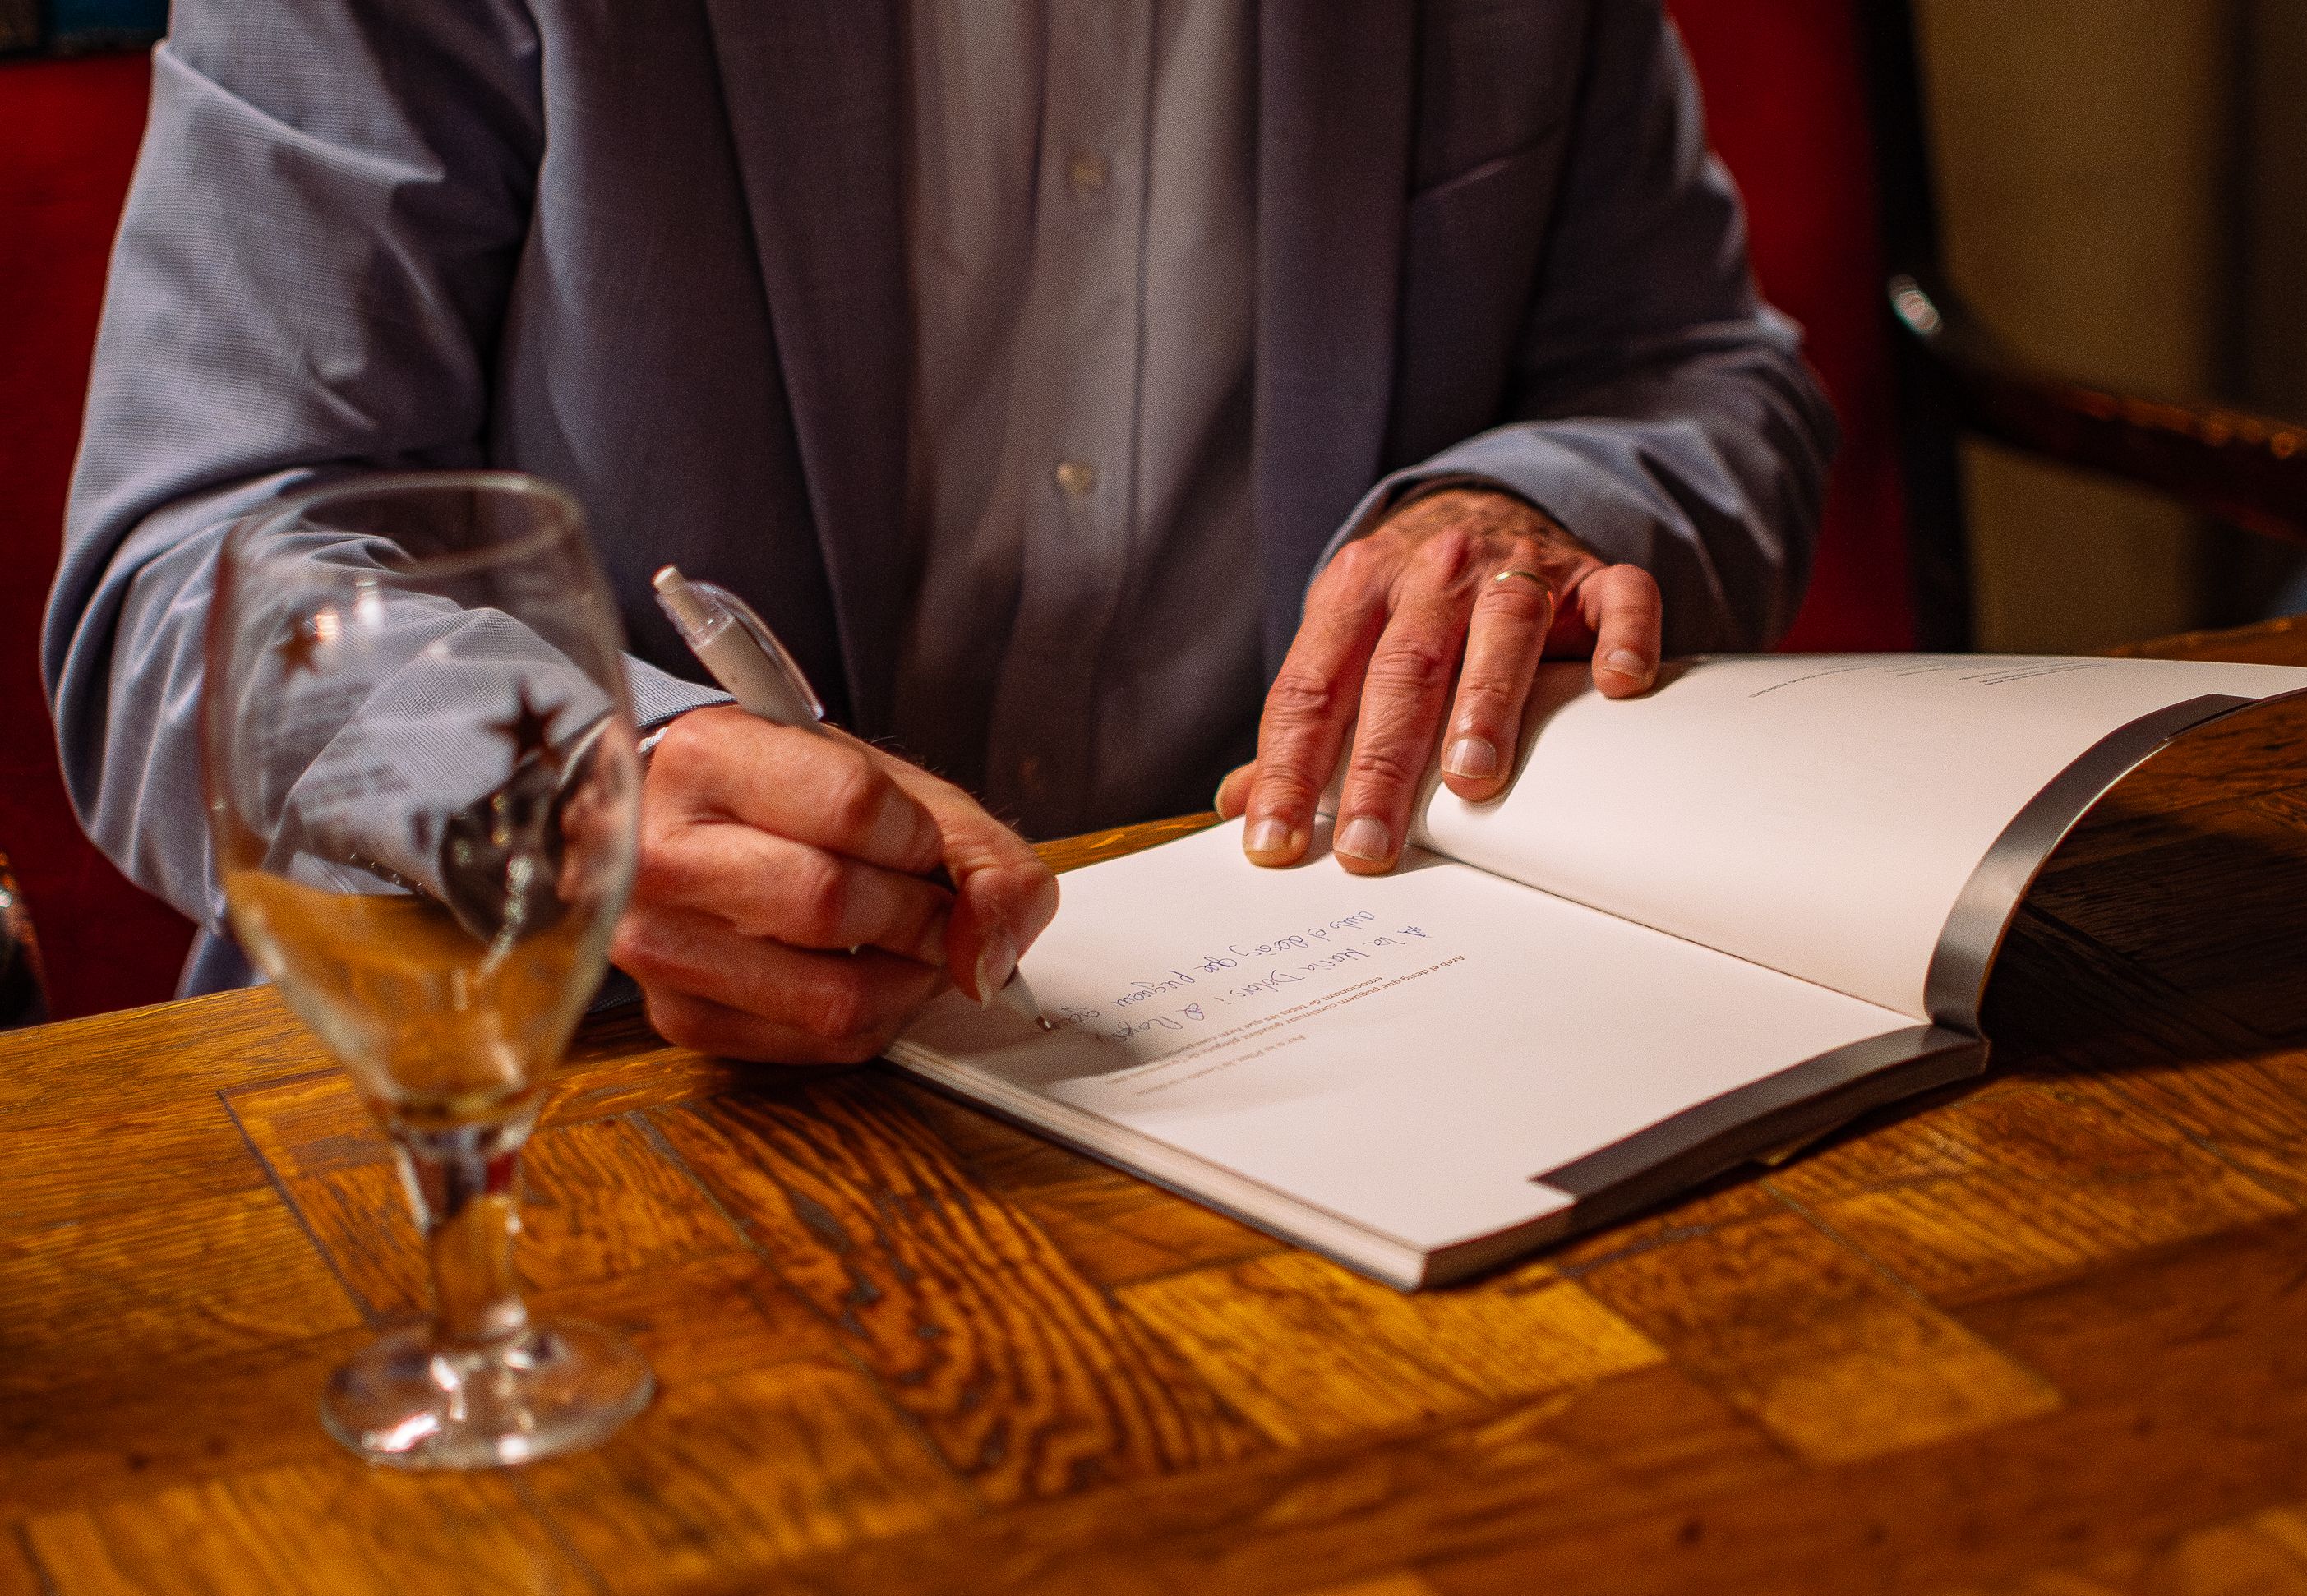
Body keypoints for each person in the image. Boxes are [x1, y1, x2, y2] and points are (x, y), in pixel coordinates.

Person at [45, 1, 1834, 1063]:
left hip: (1343, 1028)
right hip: (577, 1103)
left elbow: (1695, 376)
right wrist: (585, 802)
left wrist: (1529, 513)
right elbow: (188, 574)